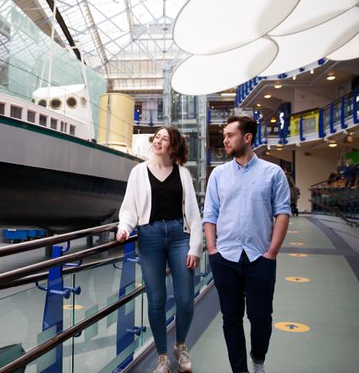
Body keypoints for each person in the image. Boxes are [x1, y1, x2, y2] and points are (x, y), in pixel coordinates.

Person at [202, 116, 291, 373]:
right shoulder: (218, 175)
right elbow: (210, 214)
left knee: (261, 318)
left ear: (247, 137)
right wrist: (212, 250)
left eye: (230, 135)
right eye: (225, 135)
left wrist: (271, 253)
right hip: (225, 258)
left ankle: (258, 359)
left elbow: (283, 212)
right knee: (231, 319)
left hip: (260, 259)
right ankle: (239, 370)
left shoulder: (272, 173)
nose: (225, 140)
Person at [116, 126, 202, 373]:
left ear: (173, 147)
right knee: (156, 300)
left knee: (185, 299)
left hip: (179, 235)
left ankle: (181, 346)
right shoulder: (138, 172)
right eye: (157, 137)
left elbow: (194, 214)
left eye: (164, 139)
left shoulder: (183, 174)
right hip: (149, 236)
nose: (158, 141)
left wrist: (195, 247)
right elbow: (130, 208)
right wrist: (124, 228)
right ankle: (163, 356)